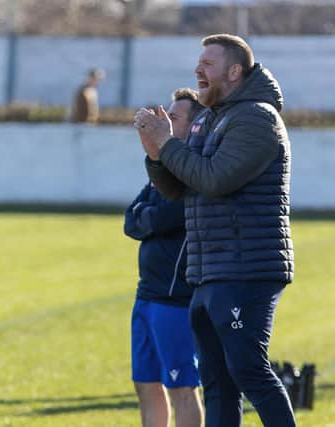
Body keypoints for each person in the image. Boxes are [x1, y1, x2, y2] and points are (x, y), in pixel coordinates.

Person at [134, 34, 296, 427]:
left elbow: (215, 179)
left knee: (247, 371)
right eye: (198, 62)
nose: (198, 70)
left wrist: (168, 146)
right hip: (210, 271)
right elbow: (179, 187)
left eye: (208, 63)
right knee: (218, 383)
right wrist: (156, 154)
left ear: (235, 71)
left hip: (246, 270)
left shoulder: (257, 117)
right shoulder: (210, 117)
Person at [124, 88, 204, 427]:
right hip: (147, 294)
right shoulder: (162, 168)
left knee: (182, 388)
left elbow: (164, 217)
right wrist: (149, 219)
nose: (164, 122)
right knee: (145, 384)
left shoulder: (194, 170)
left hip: (175, 299)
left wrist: (149, 219)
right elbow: (132, 221)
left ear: (195, 125)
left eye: (173, 117)